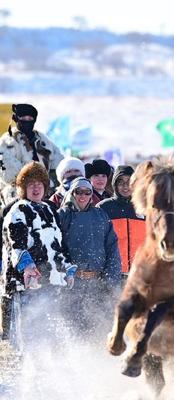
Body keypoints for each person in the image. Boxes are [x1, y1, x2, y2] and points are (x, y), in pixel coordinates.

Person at [1, 162, 76, 337]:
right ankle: (28, 364)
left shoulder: (49, 209)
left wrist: (68, 268)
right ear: (23, 188)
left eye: (39, 184)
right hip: (26, 284)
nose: (36, 188)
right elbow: (15, 244)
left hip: (50, 281)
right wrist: (27, 267)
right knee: (29, 333)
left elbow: (60, 245)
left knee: (51, 333)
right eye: (31, 184)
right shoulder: (18, 210)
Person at [58, 177, 121, 332]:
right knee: (73, 327)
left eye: (87, 192)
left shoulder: (100, 216)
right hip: (72, 283)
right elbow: (56, 249)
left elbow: (112, 248)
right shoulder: (62, 215)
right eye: (78, 191)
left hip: (97, 282)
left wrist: (111, 281)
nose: (82, 196)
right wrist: (60, 275)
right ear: (72, 193)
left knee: (97, 326)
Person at [0, 104, 63, 205]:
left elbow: (58, 160)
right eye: (23, 118)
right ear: (16, 119)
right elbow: (8, 173)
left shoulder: (42, 139)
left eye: (30, 118)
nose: (27, 120)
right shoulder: (8, 140)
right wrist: (32, 183)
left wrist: (52, 181)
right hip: (16, 191)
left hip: (46, 190)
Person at [97, 165, 146, 275]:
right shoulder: (104, 207)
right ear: (115, 184)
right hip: (112, 273)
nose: (125, 186)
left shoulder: (143, 207)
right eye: (120, 182)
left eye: (129, 182)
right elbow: (97, 242)